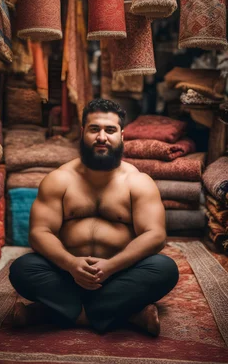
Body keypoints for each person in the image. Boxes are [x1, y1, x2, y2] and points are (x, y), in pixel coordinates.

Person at [9, 98, 179, 336]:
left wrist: (110, 267)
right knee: (22, 269)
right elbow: (39, 233)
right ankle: (127, 315)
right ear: (82, 133)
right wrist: (70, 264)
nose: (102, 137)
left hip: (119, 274)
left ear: (122, 135)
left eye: (110, 130)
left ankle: (48, 313)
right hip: (66, 274)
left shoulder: (138, 182)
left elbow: (155, 235)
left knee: (165, 268)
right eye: (94, 129)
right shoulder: (59, 179)